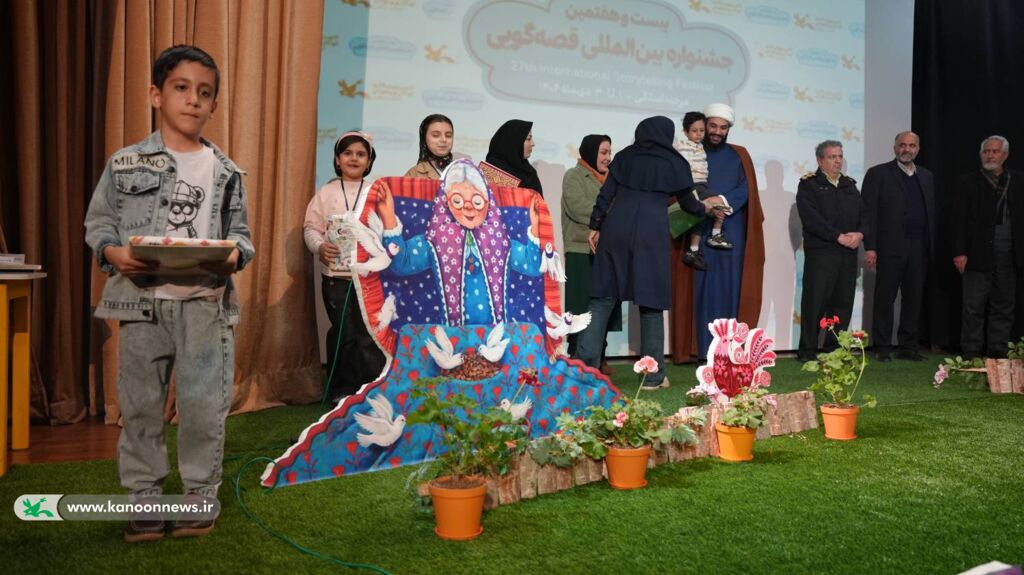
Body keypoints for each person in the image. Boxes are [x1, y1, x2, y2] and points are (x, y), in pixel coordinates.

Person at [84, 45, 255, 541]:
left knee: (203, 407)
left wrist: (233, 256)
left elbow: (242, 238)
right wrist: (113, 253)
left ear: (214, 105)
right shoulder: (125, 162)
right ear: (156, 94)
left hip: (205, 306)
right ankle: (144, 498)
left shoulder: (227, 172)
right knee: (140, 406)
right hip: (142, 305)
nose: (193, 100)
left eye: (204, 93)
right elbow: (100, 223)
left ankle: (199, 496)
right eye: (181, 88)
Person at [576, 116, 712, 389]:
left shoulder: (625, 156)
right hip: (651, 234)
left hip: (616, 230)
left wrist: (595, 225)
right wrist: (705, 208)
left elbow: (606, 195)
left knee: (602, 299)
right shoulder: (675, 162)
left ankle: (582, 371)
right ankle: (652, 376)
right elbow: (688, 203)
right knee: (651, 304)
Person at [375, 158, 543, 325]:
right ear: (446, 202)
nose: (468, 207)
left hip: (496, 336)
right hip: (453, 337)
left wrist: (535, 226)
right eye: (457, 200)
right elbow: (402, 263)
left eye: (477, 201)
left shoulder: (501, 243)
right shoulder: (436, 242)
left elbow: (533, 266)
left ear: (488, 203)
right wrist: (388, 216)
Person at [673, 103, 765, 362]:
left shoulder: (739, 155)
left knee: (729, 288)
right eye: (712, 126)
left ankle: (730, 348)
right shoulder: (690, 149)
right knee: (701, 289)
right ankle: (701, 349)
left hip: (730, 228)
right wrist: (703, 203)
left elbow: (747, 188)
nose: (716, 131)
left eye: (723, 127)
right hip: (698, 227)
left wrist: (721, 200)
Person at [304, 131, 387, 401]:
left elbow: (388, 229)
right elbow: (311, 229)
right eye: (347, 153)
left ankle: (370, 390)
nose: (354, 158)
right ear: (337, 160)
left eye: (361, 154)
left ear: (369, 161)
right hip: (336, 278)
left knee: (368, 333)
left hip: (370, 278)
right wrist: (320, 247)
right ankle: (340, 392)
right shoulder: (326, 192)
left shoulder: (377, 192)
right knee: (343, 332)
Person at [861, 132, 935, 361]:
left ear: (918, 149)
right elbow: (868, 213)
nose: (907, 149)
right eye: (902, 145)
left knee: (913, 299)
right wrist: (870, 247)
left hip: (919, 247)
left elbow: (930, 212)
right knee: (885, 299)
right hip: (889, 248)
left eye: (911, 145)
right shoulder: (878, 173)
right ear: (895, 148)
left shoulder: (926, 175)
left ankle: (908, 347)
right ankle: (882, 347)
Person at [951, 136, 1024, 359]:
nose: (990, 155)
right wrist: (959, 252)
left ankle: (998, 352)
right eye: (986, 151)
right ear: (980, 154)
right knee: (973, 306)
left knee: (1004, 305)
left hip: (1009, 254)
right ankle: (971, 353)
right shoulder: (967, 182)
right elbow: (958, 221)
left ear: (1005, 155)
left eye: (995, 151)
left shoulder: (1018, 181)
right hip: (976, 254)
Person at [796, 140, 863, 362]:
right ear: (820, 160)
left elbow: (864, 214)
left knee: (842, 303)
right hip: (822, 254)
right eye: (832, 157)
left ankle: (834, 349)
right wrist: (838, 236)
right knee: (815, 302)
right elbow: (811, 219)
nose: (837, 161)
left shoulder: (849, 185)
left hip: (848, 254)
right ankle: (807, 350)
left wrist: (860, 234)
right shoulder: (809, 185)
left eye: (840, 156)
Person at [561, 134, 618, 371]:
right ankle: (576, 354)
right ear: (591, 152)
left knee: (605, 304)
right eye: (603, 152)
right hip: (581, 249)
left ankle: (599, 355)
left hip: (607, 250)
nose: (608, 158)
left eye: (609, 152)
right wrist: (611, 211)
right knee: (580, 304)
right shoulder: (574, 176)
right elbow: (578, 208)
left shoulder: (613, 179)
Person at [676, 111, 731, 271]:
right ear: (685, 131)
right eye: (694, 130)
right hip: (694, 185)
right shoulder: (683, 146)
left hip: (701, 184)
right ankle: (715, 234)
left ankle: (693, 250)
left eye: (701, 130)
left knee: (700, 215)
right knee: (719, 202)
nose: (699, 134)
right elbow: (682, 166)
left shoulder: (699, 146)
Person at [485, 119, 543, 195]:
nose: (533, 143)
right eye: (528, 139)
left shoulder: (530, 174)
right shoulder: (491, 170)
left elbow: (538, 201)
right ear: (515, 142)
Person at [404, 114, 454, 179]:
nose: (444, 140)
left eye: (448, 135)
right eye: (436, 135)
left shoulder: (463, 169)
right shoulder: (414, 174)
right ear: (424, 139)